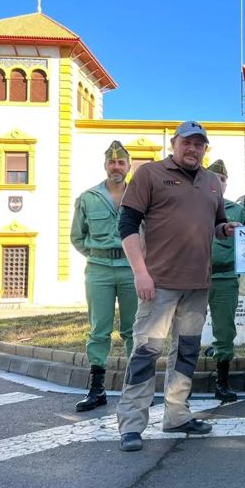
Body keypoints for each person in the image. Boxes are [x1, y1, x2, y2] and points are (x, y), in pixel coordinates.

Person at [116, 121, 239, 452]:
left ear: (205, 149)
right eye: (187, 143)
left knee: (186, 352)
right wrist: (140, 273)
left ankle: (176, 415)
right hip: (158, 283)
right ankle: (131, 424)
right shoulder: (149, 174)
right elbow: (127, 223)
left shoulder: (211, 182)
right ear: (174, 143)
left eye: (199, 144)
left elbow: (215, 224)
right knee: (146, 353)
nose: (193, 149)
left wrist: (226, 229)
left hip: (198, 285)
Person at [70, 141, 137, 412]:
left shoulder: (140, 196)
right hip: (98, 269)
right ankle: (97, 389)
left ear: (129, 166)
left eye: (121, 163)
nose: (116, 167)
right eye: (112, 162)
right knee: (99, 329)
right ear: (105, 166)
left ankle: (135, 387)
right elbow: (77, 236)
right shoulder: (88, 198)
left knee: (134, 329)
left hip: (131, 268)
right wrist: (98, 254)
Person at [204, 159, 245, 402]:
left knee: (225, 330)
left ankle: (222, 381)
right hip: (195, 278)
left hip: (225, 278)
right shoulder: (192, 207)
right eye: (213, 179)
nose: (217, 183)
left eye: (222, 179)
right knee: (186, 330)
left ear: (226, 183)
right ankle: (181, 383)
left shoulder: (237, 211)